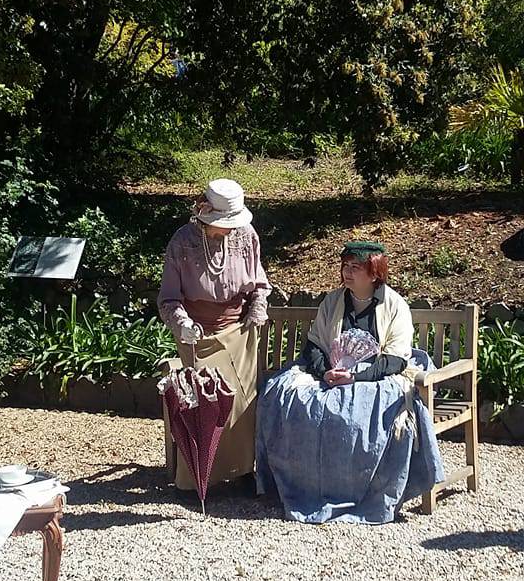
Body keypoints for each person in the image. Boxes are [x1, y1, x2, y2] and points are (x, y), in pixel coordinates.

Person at [256, 241, 444, 524]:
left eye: (356, 267)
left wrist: (356, 377)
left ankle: (362, 490)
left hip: (377, 376)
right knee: (284, 394)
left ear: (374, 273)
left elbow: (395, 359)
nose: (347, 272)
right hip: (331, 373)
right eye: (345, 266)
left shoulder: (394, 305)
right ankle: (301, 485)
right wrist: (325, 373)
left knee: (358, 415)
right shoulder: (333, 301)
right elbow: (315, 345)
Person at [158, 178, 270, 490]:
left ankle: (240, 471)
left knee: (241, 405)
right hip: (197, 334)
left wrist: (257, 307)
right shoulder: (182, 242)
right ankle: (199, 478)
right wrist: (182, 322)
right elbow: (168, 298)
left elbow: (258, 283)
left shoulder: (246, 235)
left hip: (240, 329)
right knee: (204, 404)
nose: (229, 229)